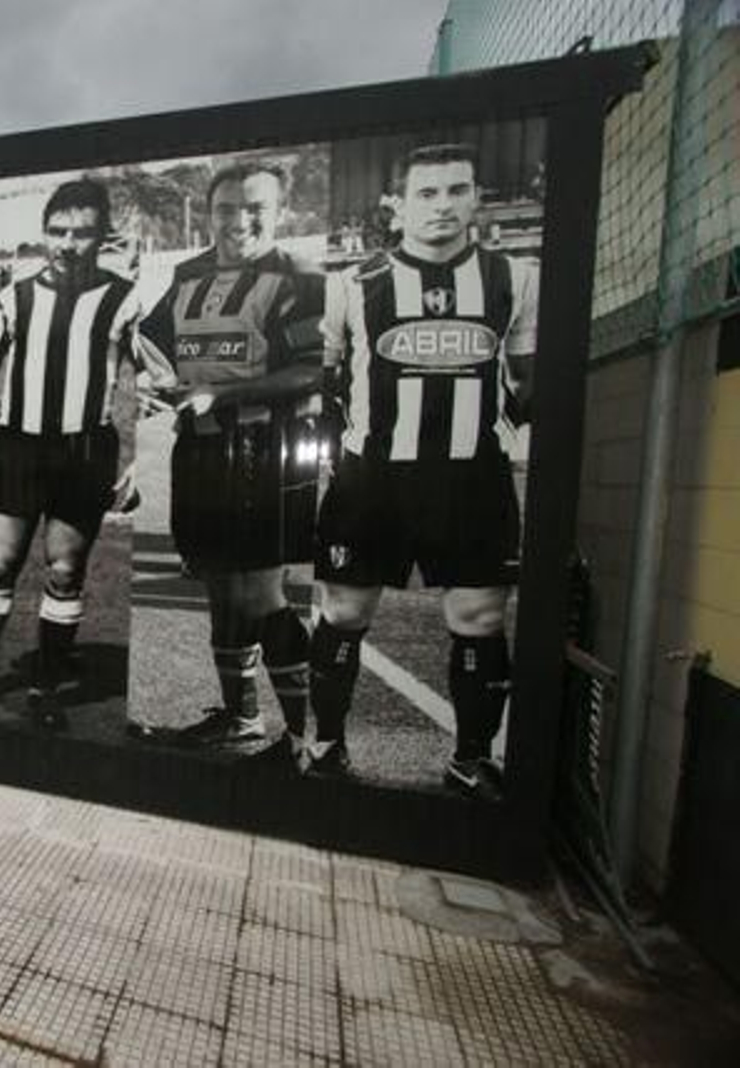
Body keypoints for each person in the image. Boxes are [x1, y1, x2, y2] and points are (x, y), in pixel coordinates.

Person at [311, 143, 538, 799]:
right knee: (345, 611)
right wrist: (337, 449)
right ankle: (325, 745)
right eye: (427, 193)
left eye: (456, 191)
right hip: (372, 479)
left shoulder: (514, 278)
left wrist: (509, 428)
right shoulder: (352, 285)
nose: (443, 206)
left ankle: (470, 760)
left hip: (472, 480)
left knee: (479, 617)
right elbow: (327, 379)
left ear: (477, 198)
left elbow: (526, 374)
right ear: (397, 204)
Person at [135, 161, 326, 764]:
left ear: (279, 213)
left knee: (259, 594)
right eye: (226, 209)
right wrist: (146, 383)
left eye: (254, 209)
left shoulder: (296, 276)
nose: (239, 221)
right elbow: (155, 348)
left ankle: (305, 739)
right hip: (200, 452)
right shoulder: (187, 275)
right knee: (219, 586)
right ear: (210, 211)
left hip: (261, 453)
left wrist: (226, 394)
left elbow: (312, 367)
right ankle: (242, 720)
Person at [0, 179, 147, 729]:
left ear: (102, 237)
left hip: (84, 451)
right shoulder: (14, 297)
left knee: (65, 572)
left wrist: (147, 460)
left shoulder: (124, 297)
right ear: (44, 233)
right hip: (19, 446)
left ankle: (45, 686)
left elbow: (155, 382)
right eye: (57, 231)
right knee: (0, 564)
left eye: (82, 233)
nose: (67, 243)